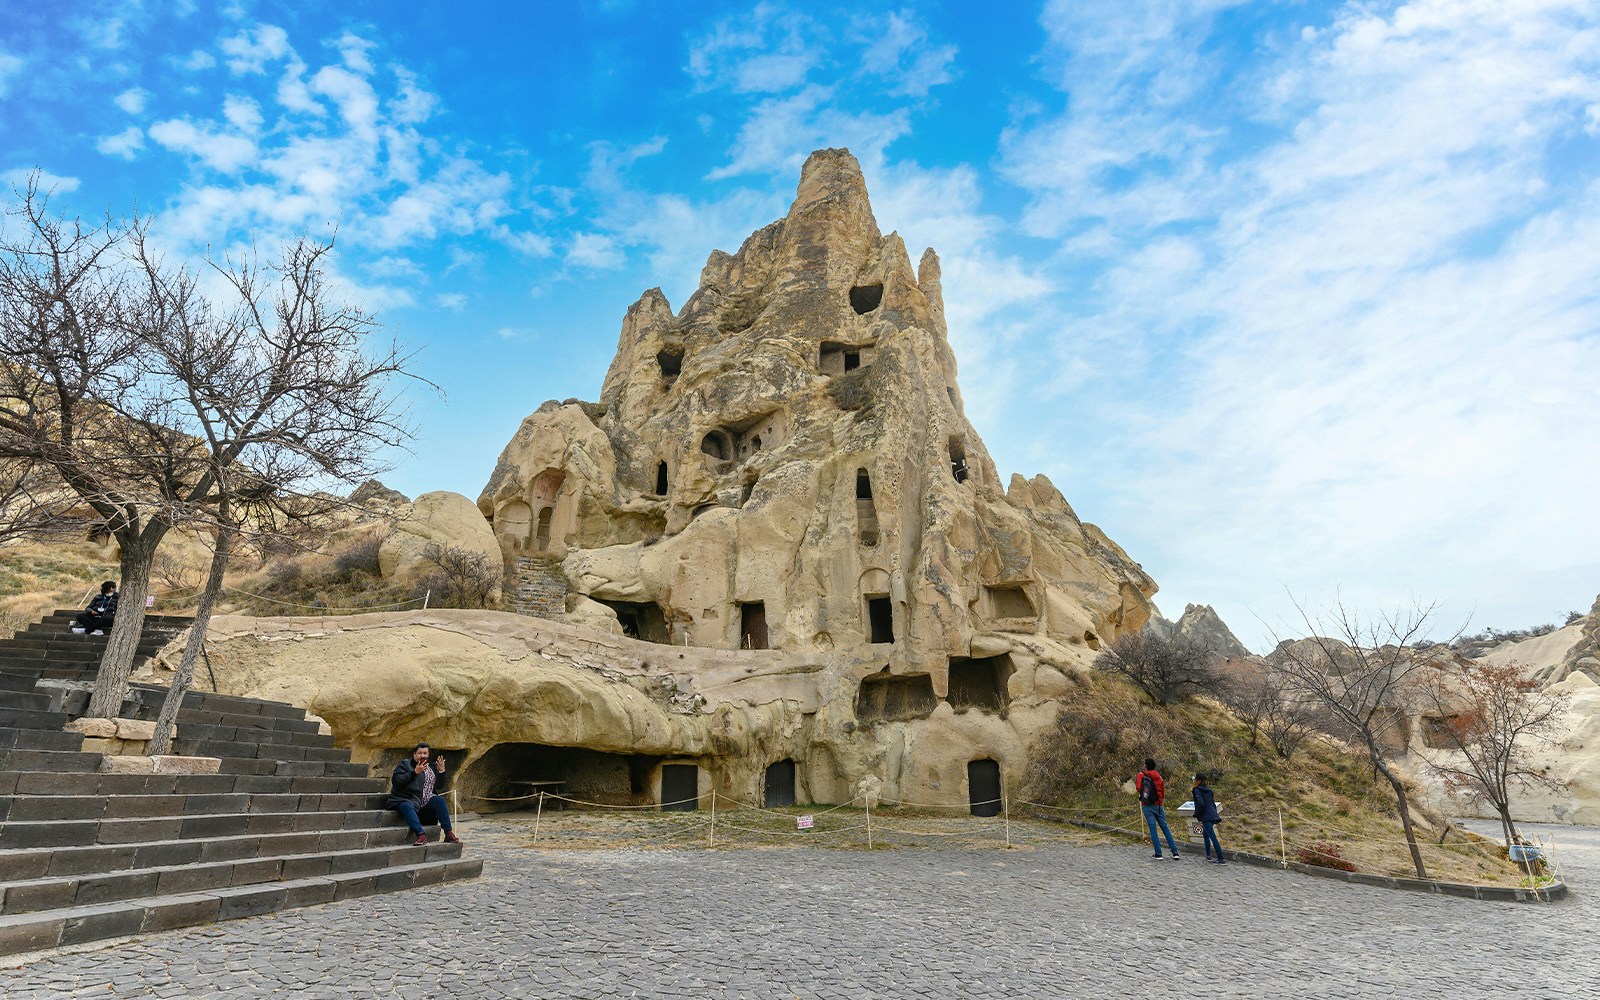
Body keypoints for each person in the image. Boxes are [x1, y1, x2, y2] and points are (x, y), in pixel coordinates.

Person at [388, 742, 462, 847]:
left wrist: (441, 771)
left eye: (425, 753)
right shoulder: (404, 764)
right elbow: (397, 781)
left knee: (439, 800)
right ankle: (421, 835)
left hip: (425, 802)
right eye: (419, 753)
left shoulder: (432, 766)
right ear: (414, 754)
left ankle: (448, 833)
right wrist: (414, 772)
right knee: (406, 805)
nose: (422, 755)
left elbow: (439, 786)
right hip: (407, 799)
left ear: (428, 754)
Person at [1135, 757, 1180, 860]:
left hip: (1147, 805)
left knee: (1153, 829)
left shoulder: (1141, 775)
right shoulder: (1159, 777)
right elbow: (1162, 792)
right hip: (1158, 805)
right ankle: (1175, 852)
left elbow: (1138, 788)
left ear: (1145, 765)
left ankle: (1158, 853)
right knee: (1165, 827)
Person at [1192, 772, 1225, 864]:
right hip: (1212, 814)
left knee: (1212, 837)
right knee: (1205, 835)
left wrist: (1197, 813)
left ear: (1197, 781)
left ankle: (1221, 858)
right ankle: (1208, 855)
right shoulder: (1209, 790)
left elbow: (1201, 804)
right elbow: (1212, 803)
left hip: (1206, 816)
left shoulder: (1197, 790)